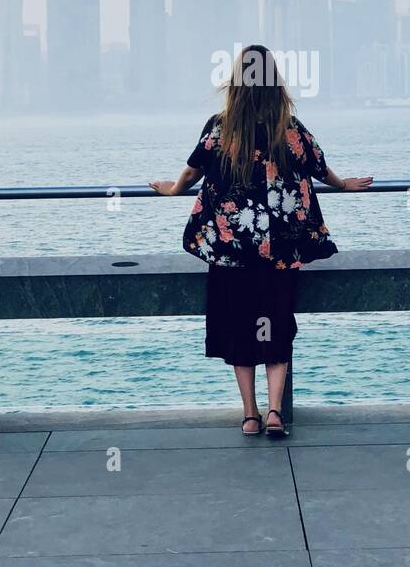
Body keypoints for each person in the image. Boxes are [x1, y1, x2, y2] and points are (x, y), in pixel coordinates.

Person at [150, 45, 373, 437]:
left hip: (232, 249)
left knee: (238, 326)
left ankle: (250, 415)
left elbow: (192, 172)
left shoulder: (222, 127)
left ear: (235, 83)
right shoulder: (289, 127)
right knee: (275, 324)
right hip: (280, 250)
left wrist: (172, 190)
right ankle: (275, 413)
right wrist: (344, 185)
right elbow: (319, 166)